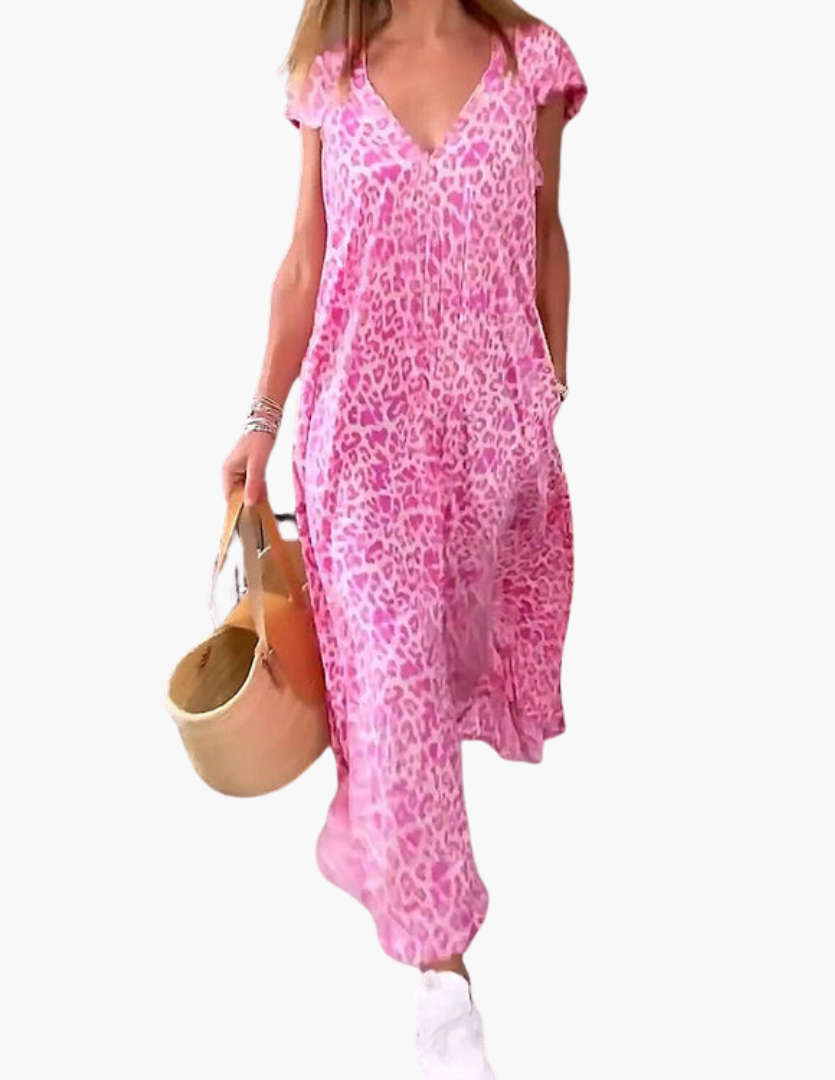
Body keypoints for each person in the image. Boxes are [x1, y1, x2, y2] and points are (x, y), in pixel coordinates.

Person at [221, 1, 586, 1075]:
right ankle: (446, 981)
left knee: (429, 681)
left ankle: (383, 835)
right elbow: (304, 263)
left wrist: (549, 390)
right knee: (394, 680)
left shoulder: (531, 62)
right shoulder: (329, 75)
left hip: (490, 442)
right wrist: (259, 421)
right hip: (362, 440)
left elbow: (548, 230)